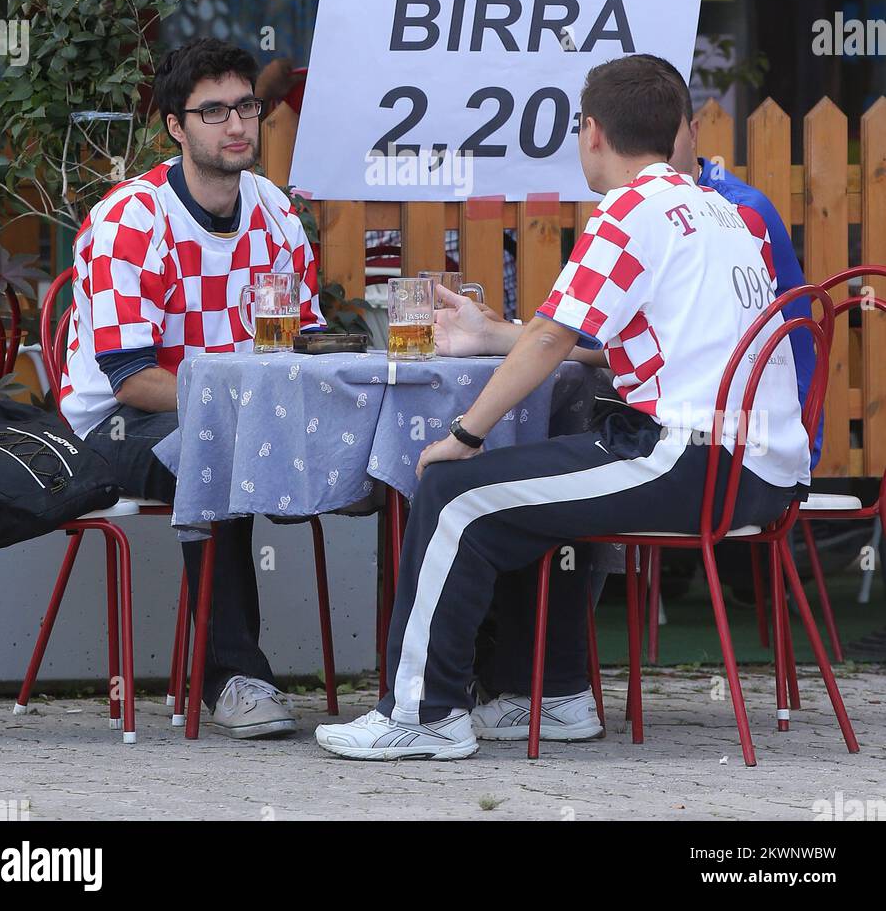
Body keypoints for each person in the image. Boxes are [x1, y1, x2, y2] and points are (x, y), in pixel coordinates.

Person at [315, 53, 811, 760]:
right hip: (758, 470)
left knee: (455, 491)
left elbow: (551, 336)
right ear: (676, 131)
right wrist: (497, 336)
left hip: (692, 462)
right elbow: (643, 346)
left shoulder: (628, 211)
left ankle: (422, 715)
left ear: (589, 133)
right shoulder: (721, 212)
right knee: (532, 481)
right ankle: (546, 696)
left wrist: (463, 432)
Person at [60, 39, 325, 738]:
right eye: (213, 112)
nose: (236, 125)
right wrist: (244, 413)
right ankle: (233, 679)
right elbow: (129, 380)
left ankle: (430, 682)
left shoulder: (276, 210)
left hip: (250, 416)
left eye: (245, 106)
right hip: (114, 430)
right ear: (175, 127)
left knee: (398, 457)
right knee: (218, 446)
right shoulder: (131, 218)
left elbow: (311, 339)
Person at [643, 55, 823, 467]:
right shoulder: (648, 205)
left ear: (694, 133)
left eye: (662, 140)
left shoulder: (740, 210)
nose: (652, 158)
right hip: (718, 419)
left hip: (758, 435)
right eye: (640, 142)